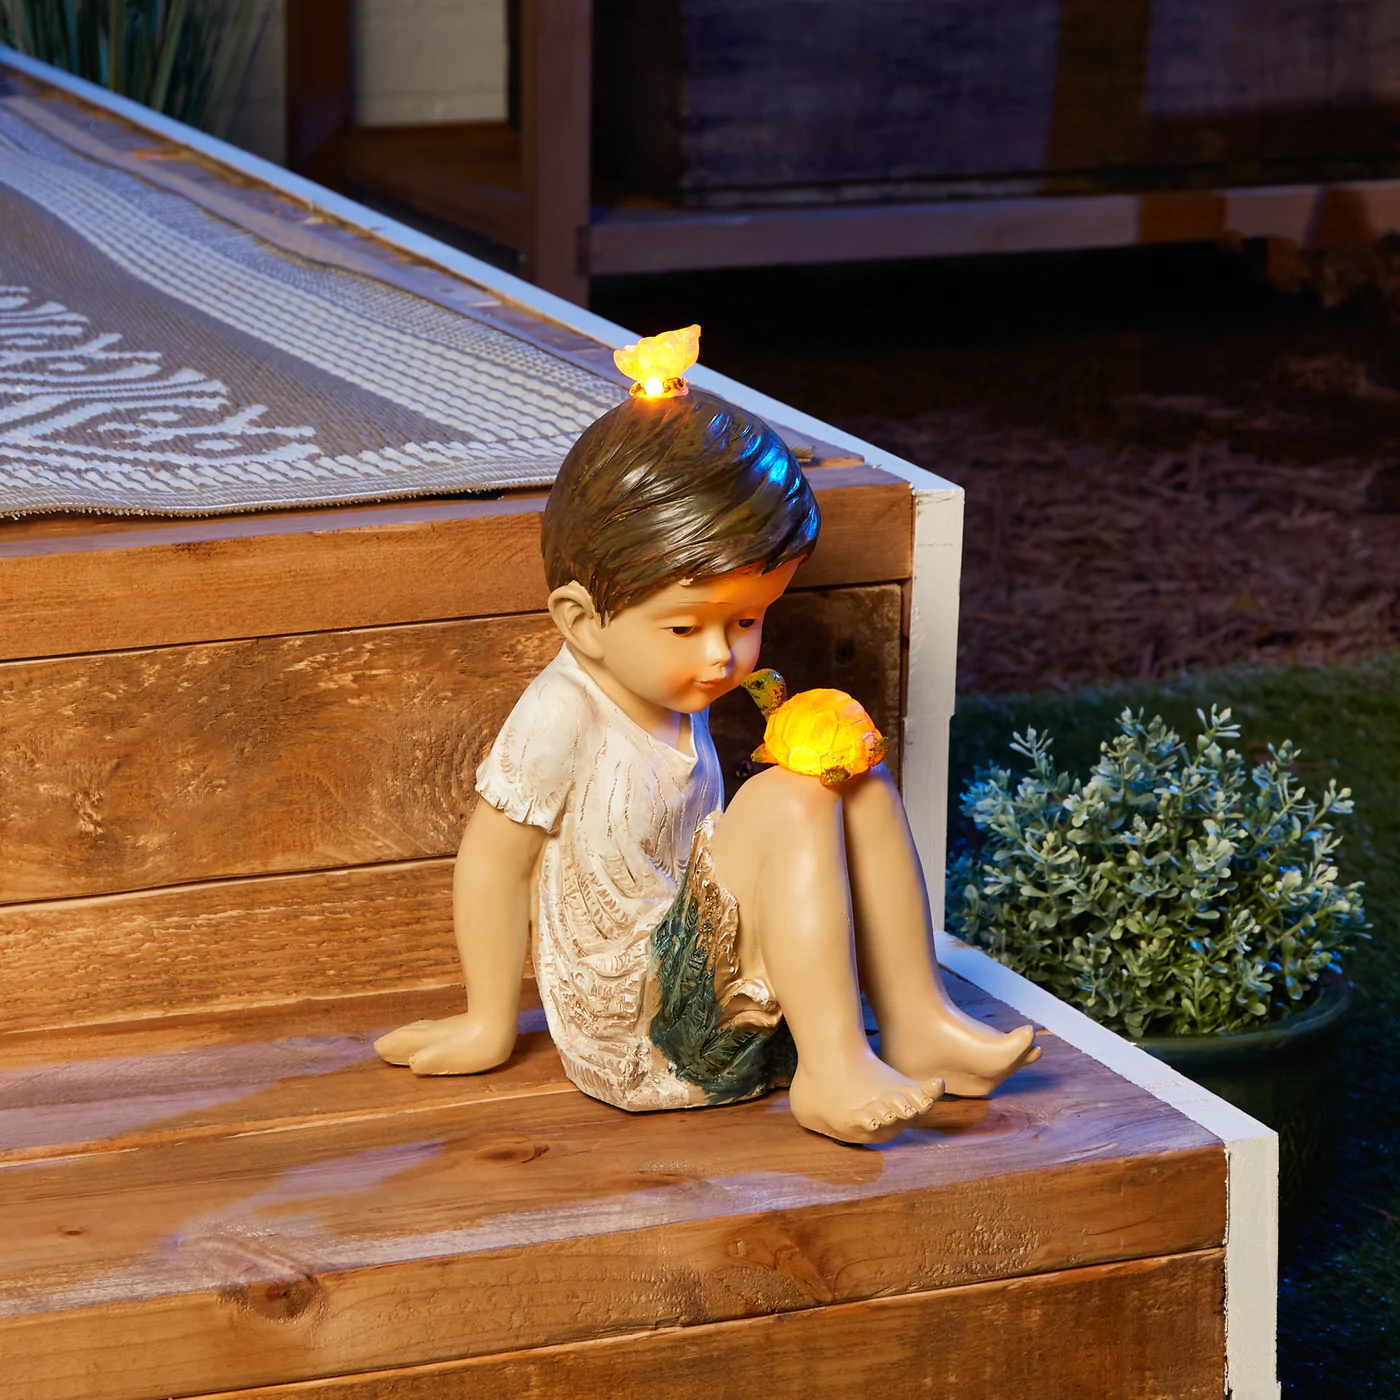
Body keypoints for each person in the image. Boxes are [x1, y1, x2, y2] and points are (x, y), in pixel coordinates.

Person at [376, 385, 1038, 1144]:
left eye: (746, 619)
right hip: (642, 1021)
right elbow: (494, 861)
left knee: (853, 770)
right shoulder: (561, 713)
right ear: (581, 621)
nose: (722, 655)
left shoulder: (670, 685)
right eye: (685, 627)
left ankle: (918, 1023)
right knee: (793, 797)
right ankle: (833, 1068)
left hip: (707, 961)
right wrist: (487, 1023)